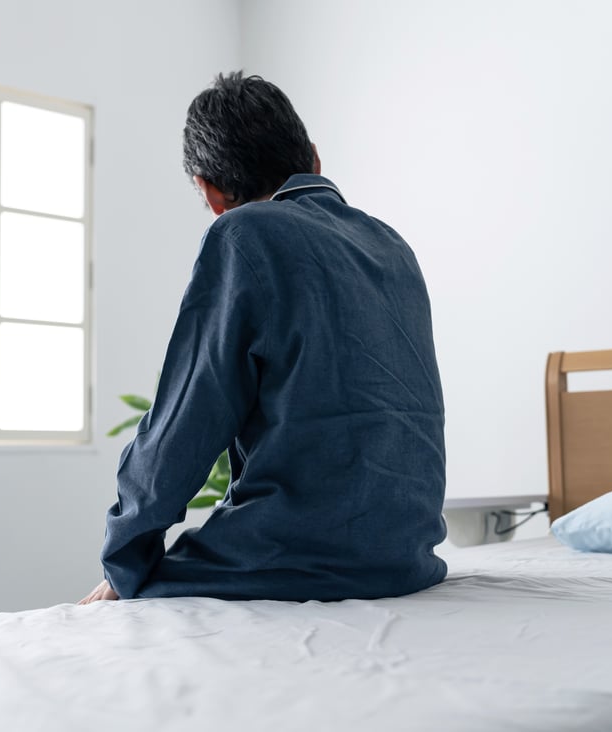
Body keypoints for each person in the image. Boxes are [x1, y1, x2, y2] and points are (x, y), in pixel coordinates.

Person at [79, 72, 447, 605]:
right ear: (314, 160)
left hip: (297, 559)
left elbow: (185, 422)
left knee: (119, 602)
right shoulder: (393, 246)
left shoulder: (243, 233)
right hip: (405, 562)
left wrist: (124, 563)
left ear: (210, 192)